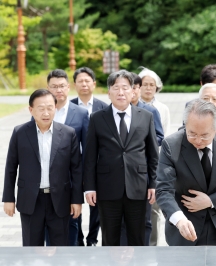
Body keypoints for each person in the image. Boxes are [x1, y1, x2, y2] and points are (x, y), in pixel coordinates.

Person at [156, 99, 216, 246]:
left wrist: (211, 201)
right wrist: (179, 219)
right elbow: (163, 190)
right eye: (192, 134)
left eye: (205, 135)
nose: (198, 140)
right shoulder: (171, 145)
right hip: (185, 228)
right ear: (185, 125)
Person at [84, 70, 159, 246]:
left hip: (139, 187)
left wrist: (153, 184)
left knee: (138, 237)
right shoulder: (97, 118)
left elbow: (153, 154)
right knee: (110, 237)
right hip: (107, 187)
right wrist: (89, 187)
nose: (120, 92)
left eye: (125, 88)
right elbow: (90, 156)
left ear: (133, 91)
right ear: (108, 92)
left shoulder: (146, 116)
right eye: (115, 88)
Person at [2, 89, 83, 246]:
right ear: (31, 110)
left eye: (50, 107)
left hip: (60, 200)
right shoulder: (20, 132)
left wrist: (76, 200)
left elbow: (76, 170)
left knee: (60, 247)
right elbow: (11, 167)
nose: (46, 113)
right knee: (32, 247)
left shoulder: (68, 133)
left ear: (55, 108)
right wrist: (8, 198)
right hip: (31, 200)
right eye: (41, 108)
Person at [119, 72, 164, 246]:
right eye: (134, 87)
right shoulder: (118, 109)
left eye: (137, 87)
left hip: (142, 169)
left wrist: (140, 143)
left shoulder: (150, 111)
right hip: (122, 172)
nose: (136, 91)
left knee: (146, 218)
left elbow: (158, 136)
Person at [46, 69, 89, 246]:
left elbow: (87, 150)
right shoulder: (43, 111)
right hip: (46, 180)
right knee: (48, 224)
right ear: (48, 88)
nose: (58, 90)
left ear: (68, 87)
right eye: (54, 87)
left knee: (72, 223)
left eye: (62, 86)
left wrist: (86, 183)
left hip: (71, 180)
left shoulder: (80, 113)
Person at [70, 67, 108, 246]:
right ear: (74, 84)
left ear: (94, 83)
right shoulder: (68, 107)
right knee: (74, 202)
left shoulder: (105, 108)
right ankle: (77, 239)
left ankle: (92, 238)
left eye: (87, 81)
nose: (84, 84)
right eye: (80, 81)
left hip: (98, 165)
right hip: (73, 165)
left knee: (96, 205)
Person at [138, 67, 169, 246]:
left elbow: (164, 135)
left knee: (154, 209)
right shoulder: (131, 106)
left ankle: (153, 244)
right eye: (144, 84)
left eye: (152, 85)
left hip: (155, 161)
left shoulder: (161, 109)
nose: (148, 88)